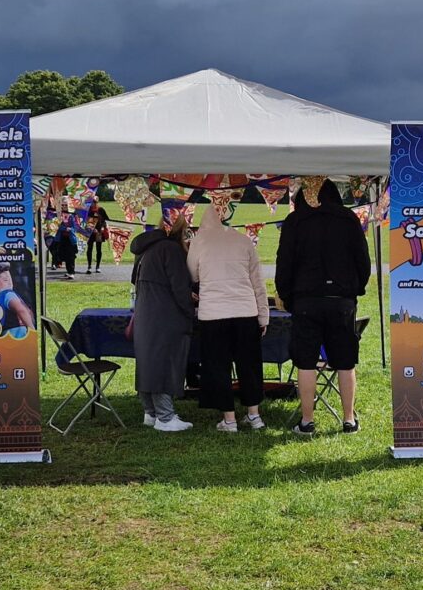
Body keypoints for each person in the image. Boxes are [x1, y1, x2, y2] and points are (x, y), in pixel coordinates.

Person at [275, 179, 371, 435]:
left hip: (306, 301)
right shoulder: (349, 219)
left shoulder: (295, 222)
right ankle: (349, 419)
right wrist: (355, 289)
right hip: (341, 301)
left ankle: (307, 421)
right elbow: (363, 260)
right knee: (345, 361)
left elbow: (283, 263)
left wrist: (286, 295)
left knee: (306, 362)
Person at [187, 208, 270, 432]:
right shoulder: (244, 241)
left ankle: (229, 419)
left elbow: (192, 275)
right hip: (245, 311)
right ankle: (254, 416)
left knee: (217, 366)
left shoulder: (199, 241)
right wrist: (263, 316)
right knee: (249, 365)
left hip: (213, 314)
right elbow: (257, 283)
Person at [130, 218, 196, 431]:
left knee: (148, 362)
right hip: (165, 315)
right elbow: (179, 288)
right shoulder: (170, 250)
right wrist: (191, 310)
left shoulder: (146, 249)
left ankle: (151, 412)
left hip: (146, 313)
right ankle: (165, 418)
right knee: (163, 363)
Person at [0, 262, 36, 338]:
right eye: (5, 280)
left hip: (5, 336)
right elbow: (21, 310)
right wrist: (32, 331)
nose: (10, 282)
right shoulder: (7, 294)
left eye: (10, 278)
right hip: (19, 334)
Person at [84, 202, 110, 274]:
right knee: (90, 248)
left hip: (99, 232)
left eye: (95, 202)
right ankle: (89, 266)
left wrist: (102, 227)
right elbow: (85, 220)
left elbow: (106, 220)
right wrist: (91, 228)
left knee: (99, 249)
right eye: (93, 202)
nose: (94, 204)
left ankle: (98, 266)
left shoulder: (101, 210)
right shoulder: (88, 210)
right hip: (90, 232)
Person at [54, 213, 78, 280]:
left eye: (65, 205)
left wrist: (70, 229)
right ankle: (68, 271)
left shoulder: (72, 217)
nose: (64, 206)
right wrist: (65, 228)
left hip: (71, 239)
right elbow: (57, 226)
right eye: (63, 205)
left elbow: (75, 227)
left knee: (71, 256)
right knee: (64, 256)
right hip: (62, 239)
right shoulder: (60, 216)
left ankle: (72, 272)